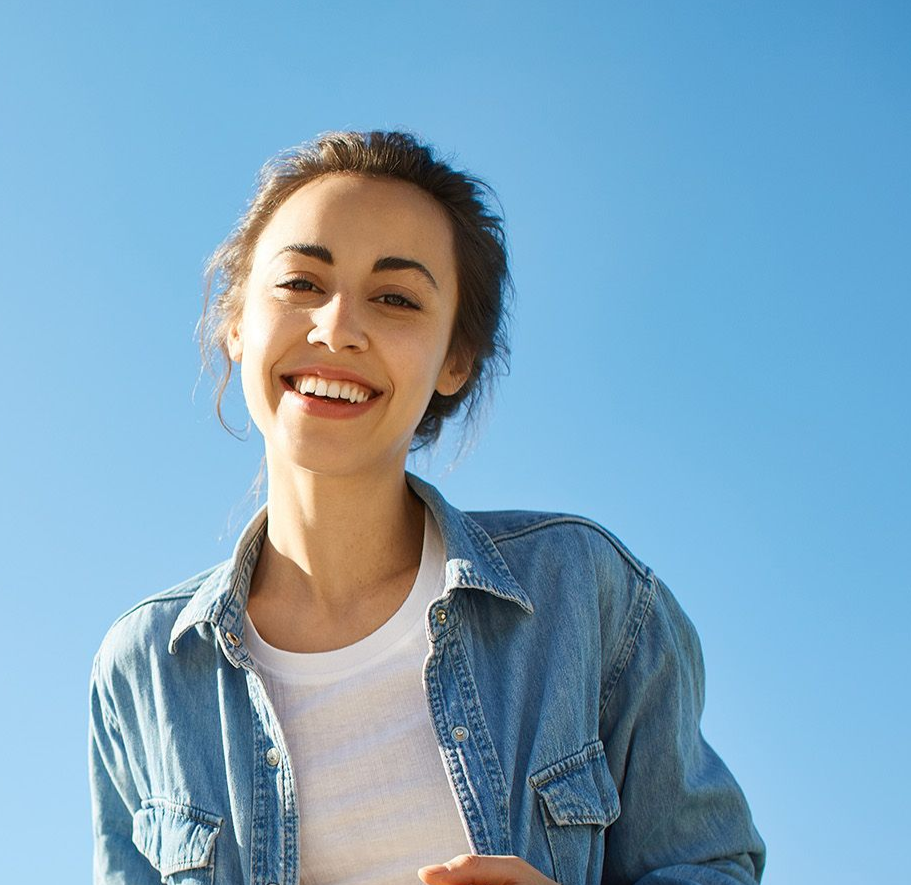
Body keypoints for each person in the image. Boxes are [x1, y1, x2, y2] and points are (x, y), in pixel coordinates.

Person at [88, 131, 765, 885]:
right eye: (301, 283)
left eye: (394, 298)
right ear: (237, 321)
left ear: (455, 359)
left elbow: (707, 864)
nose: (337, 327)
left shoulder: (583, 593)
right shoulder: (144, 666)